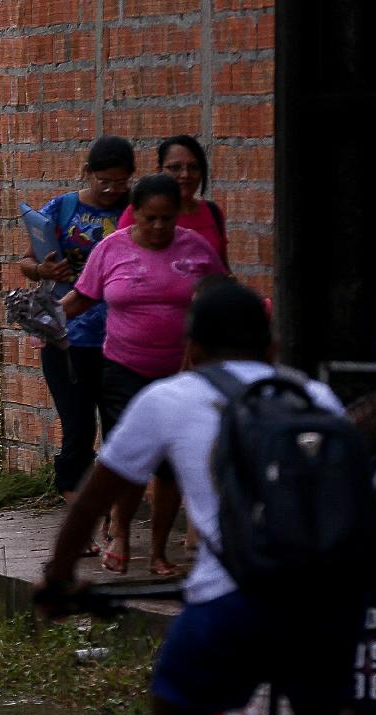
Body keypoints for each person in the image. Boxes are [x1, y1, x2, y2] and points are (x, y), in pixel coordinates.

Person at [36, 281, 364, 715]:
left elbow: (95, 499)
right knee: (325, 714)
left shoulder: (172, 398)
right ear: (271, 349)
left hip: (233, 603)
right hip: (325, 601)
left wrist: (59, 581)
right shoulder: (316, 399)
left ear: (190, 350)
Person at [63, 173, 227, 576]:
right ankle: (119, 533)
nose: (158, 228)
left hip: (180, 374)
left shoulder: (196, 250)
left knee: (171, 463)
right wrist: (46, 320)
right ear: (134, 213)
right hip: (123, 369)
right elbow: (82, 297)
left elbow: (221, 296)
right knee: (130, 458)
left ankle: (158, 552)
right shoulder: (111, 250)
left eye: (167, 219)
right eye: (150, 218)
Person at [16, 135, 133, 511]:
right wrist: (44, 269)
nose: (113, 189)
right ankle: (78, 509)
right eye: (105, 181)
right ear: (88, 173)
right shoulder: (62, 208)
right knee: (79, 431)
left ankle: (116, 516)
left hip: (123, 341)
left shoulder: (136, 212)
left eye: (121, 182)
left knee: (121, 432)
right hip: (69, 340)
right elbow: (27, 263)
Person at [118, 135, 226, 266]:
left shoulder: (212, 212)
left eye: (193, 167)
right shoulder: (138, 214)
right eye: (175, 168)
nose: (185, 174)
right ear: (159, 170)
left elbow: (223, 267)